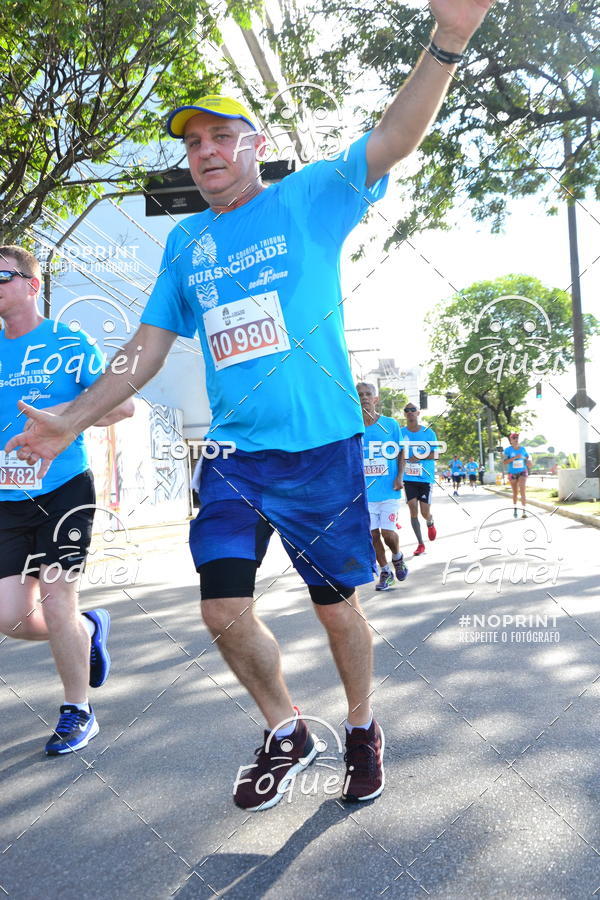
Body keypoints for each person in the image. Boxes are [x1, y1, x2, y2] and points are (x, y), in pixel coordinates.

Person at [6, 0, 492, 811]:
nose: (205, 153)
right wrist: (71, 418)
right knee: (221, 608)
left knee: (337, 614)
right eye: (193, 143)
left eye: (220, 137)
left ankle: (363, 724)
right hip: (233, 455)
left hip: (323, 447)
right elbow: (145, 350)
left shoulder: (309, 197)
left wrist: (447, 40)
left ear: (256, 147)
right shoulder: (185, 243)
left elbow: (395, 139)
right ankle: (285, 728)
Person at [0, 246, 134, 755]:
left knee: (58, 602)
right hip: (5, 496)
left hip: (63, 489)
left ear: (33, 285)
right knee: (10, 616)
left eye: (2, 275)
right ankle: (90, 629)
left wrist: (65, 412)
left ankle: (77, 709)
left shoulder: (69, 341)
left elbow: (121, 405)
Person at [357, 382, 408, 591]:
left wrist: (400, 476)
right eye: (360, 394)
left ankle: (397, 557)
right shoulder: (352, 426)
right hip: (365, 492)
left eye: (368, 394)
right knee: (372, 535)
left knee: (387, 533)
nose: (364, 397)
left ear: (375, 399)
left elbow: (400, 452)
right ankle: (385, 572)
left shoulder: (390, 424)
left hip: (389, 490)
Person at [400, 404, 439, 556]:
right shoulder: (400, 433)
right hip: (408, 477)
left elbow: (436, 454)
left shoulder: (428, 433)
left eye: (412, 410)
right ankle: (420, 544)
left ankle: (430, 521)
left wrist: (420, 456)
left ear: (418, 413)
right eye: (407, 411)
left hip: (425, 478)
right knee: (412, 509)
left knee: (424, 512)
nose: (410, 413)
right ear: (405, 415)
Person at [503, 432, 532, 517]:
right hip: (512, 473)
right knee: (515, 493)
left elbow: (528, 457)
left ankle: (524, 511)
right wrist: (515, 458)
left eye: (517, 438)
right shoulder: (507, 450)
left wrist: (529, 461)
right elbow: (505, 462)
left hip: (522, 471)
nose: (516, 440)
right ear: (511, 440)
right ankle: (515, 509)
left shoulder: (523, 449)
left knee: (522, 490)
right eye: (514, 438)